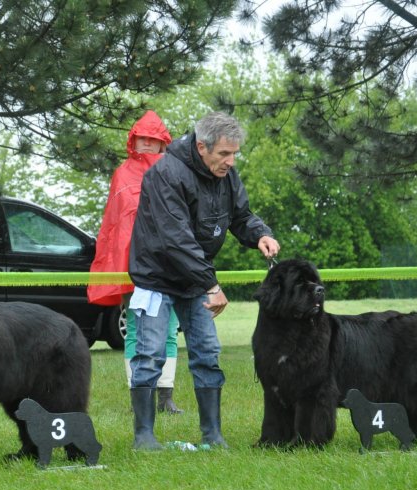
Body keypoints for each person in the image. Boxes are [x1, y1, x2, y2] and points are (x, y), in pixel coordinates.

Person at [127, 111, 280, 450]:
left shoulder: (226, 175)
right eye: (225, 153)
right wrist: (212, 285)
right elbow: (174, 239)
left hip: (194, 278)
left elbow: (241, 216)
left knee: (208, 354)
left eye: (235, 153)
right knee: (150, 355)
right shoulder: (165, 173)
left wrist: (260, 235)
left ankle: (213, 435)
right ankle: (144, 437)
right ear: (202, 146)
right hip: (156, 278)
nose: (231, 160)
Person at [88, 110, 183, 415]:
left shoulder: (175, 171)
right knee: (137, 331)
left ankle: (165, 396)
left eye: (152, 139)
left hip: (170, 266)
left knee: (168, 330)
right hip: (136, 270)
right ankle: (138, 396)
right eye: (141, 138)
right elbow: (114, 227)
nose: (146, 144)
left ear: (162, 143)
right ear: (133, 139)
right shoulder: (122, 174)